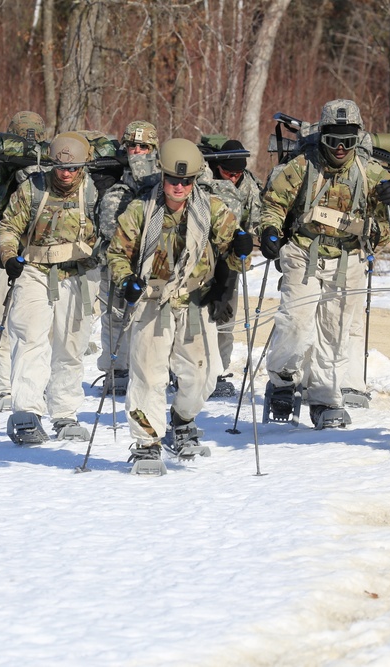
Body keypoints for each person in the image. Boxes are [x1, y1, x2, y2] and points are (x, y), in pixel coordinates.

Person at [106, 138, 253, 468]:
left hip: (194, 300)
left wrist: (243, 245)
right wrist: (126, 280)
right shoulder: (140, 208)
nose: (179, 187)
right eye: (173, 179)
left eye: (186, 181)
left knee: (205, 376)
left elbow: (233, 243)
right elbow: (117, 253)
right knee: (148, 375)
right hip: (151, 301)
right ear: (162, 176)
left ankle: (182, 421)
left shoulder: (210, 208)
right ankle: (147, 441)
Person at [258, 99, 390, 428]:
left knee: (334, 334)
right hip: (304, 251)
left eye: (348, 139)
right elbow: (274, 202)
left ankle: (324, 396)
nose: (340, 146)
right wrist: (269, 230)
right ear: (322, 136)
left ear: (357, 139)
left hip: (348, 258)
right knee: (295, 323)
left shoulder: (368, 171)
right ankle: (282, 381)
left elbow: (389, 218)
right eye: (333, 138)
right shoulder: (302, 166)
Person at [0, 131, 101, 445]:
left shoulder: (96, 193)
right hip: (36, 271)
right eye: (60, 167)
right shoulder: (33, 188)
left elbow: (114, 231)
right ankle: (26, 413)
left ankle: (65, 413)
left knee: (71, 347)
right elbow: (9, 226)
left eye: (73, 168)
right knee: (30, 339)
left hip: (79, 274)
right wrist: (8, 256)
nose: (66, 173)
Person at [0, 111, 49, 412]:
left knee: (35, 328)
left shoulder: (51, 169)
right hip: (2, 255)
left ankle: (32, 388)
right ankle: (4, 389)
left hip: (40, 258)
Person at [95, 120, 161, 396]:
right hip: (117, 257)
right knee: (114, 315)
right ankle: (117, 370)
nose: (136, 151)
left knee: (158, 317)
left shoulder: (162, 176)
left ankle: (156, 369)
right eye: (131, 145)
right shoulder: (114, 178)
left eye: (143, 146)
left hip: (156, 258)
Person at [201, 138, 263, 398]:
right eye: (229, 173)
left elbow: (257, 215)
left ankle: (221, 370)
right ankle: (192, 368)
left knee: (226, 315)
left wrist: (259, 236)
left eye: (238, 173)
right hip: (202, 258)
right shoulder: (204, 178)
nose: (234, 178)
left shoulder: (247, 183)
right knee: (199, 315)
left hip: (232, 257)